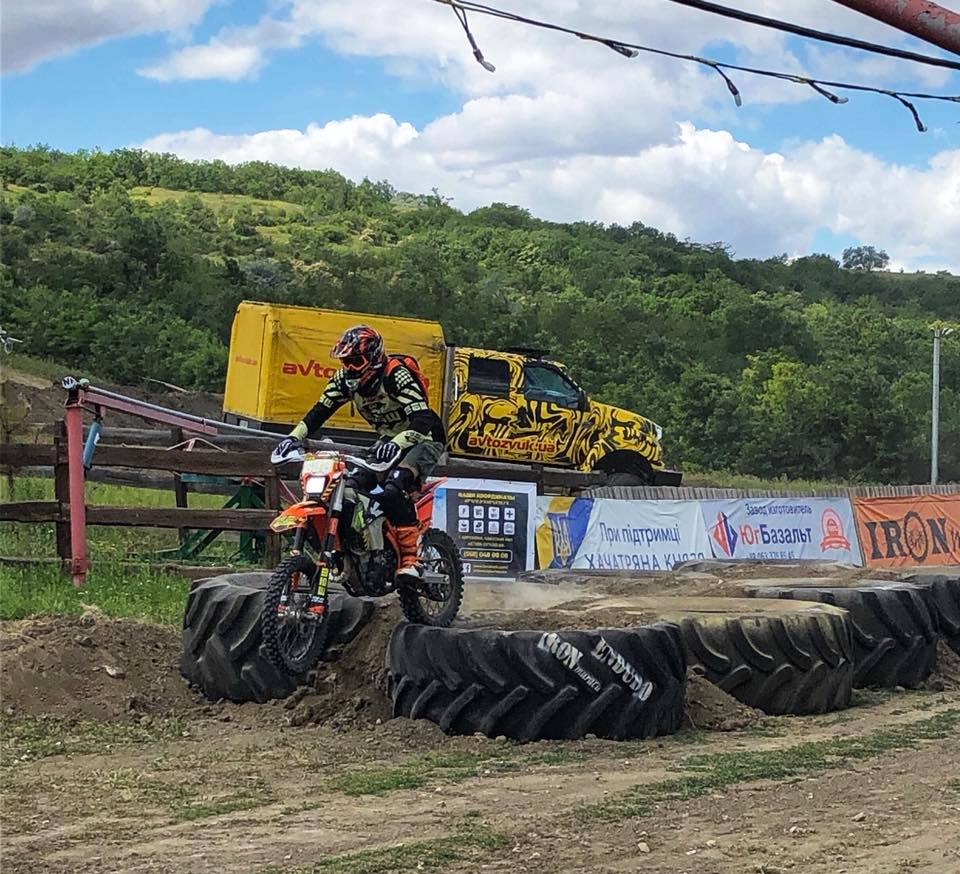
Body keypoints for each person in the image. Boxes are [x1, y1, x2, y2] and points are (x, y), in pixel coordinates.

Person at [275, 325, 446, 580]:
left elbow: (422, 417)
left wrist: (398, 443)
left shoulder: (396, 375)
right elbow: (320, 410)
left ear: (373, 358)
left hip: (424, 437)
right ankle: (364, 548)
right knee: (352, 484)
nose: (350, 368)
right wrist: (293, 436)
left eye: (355, 361)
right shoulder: (343, 379)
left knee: (396, 485)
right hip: (388, 439)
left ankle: (411, 559)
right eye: (345, 362)